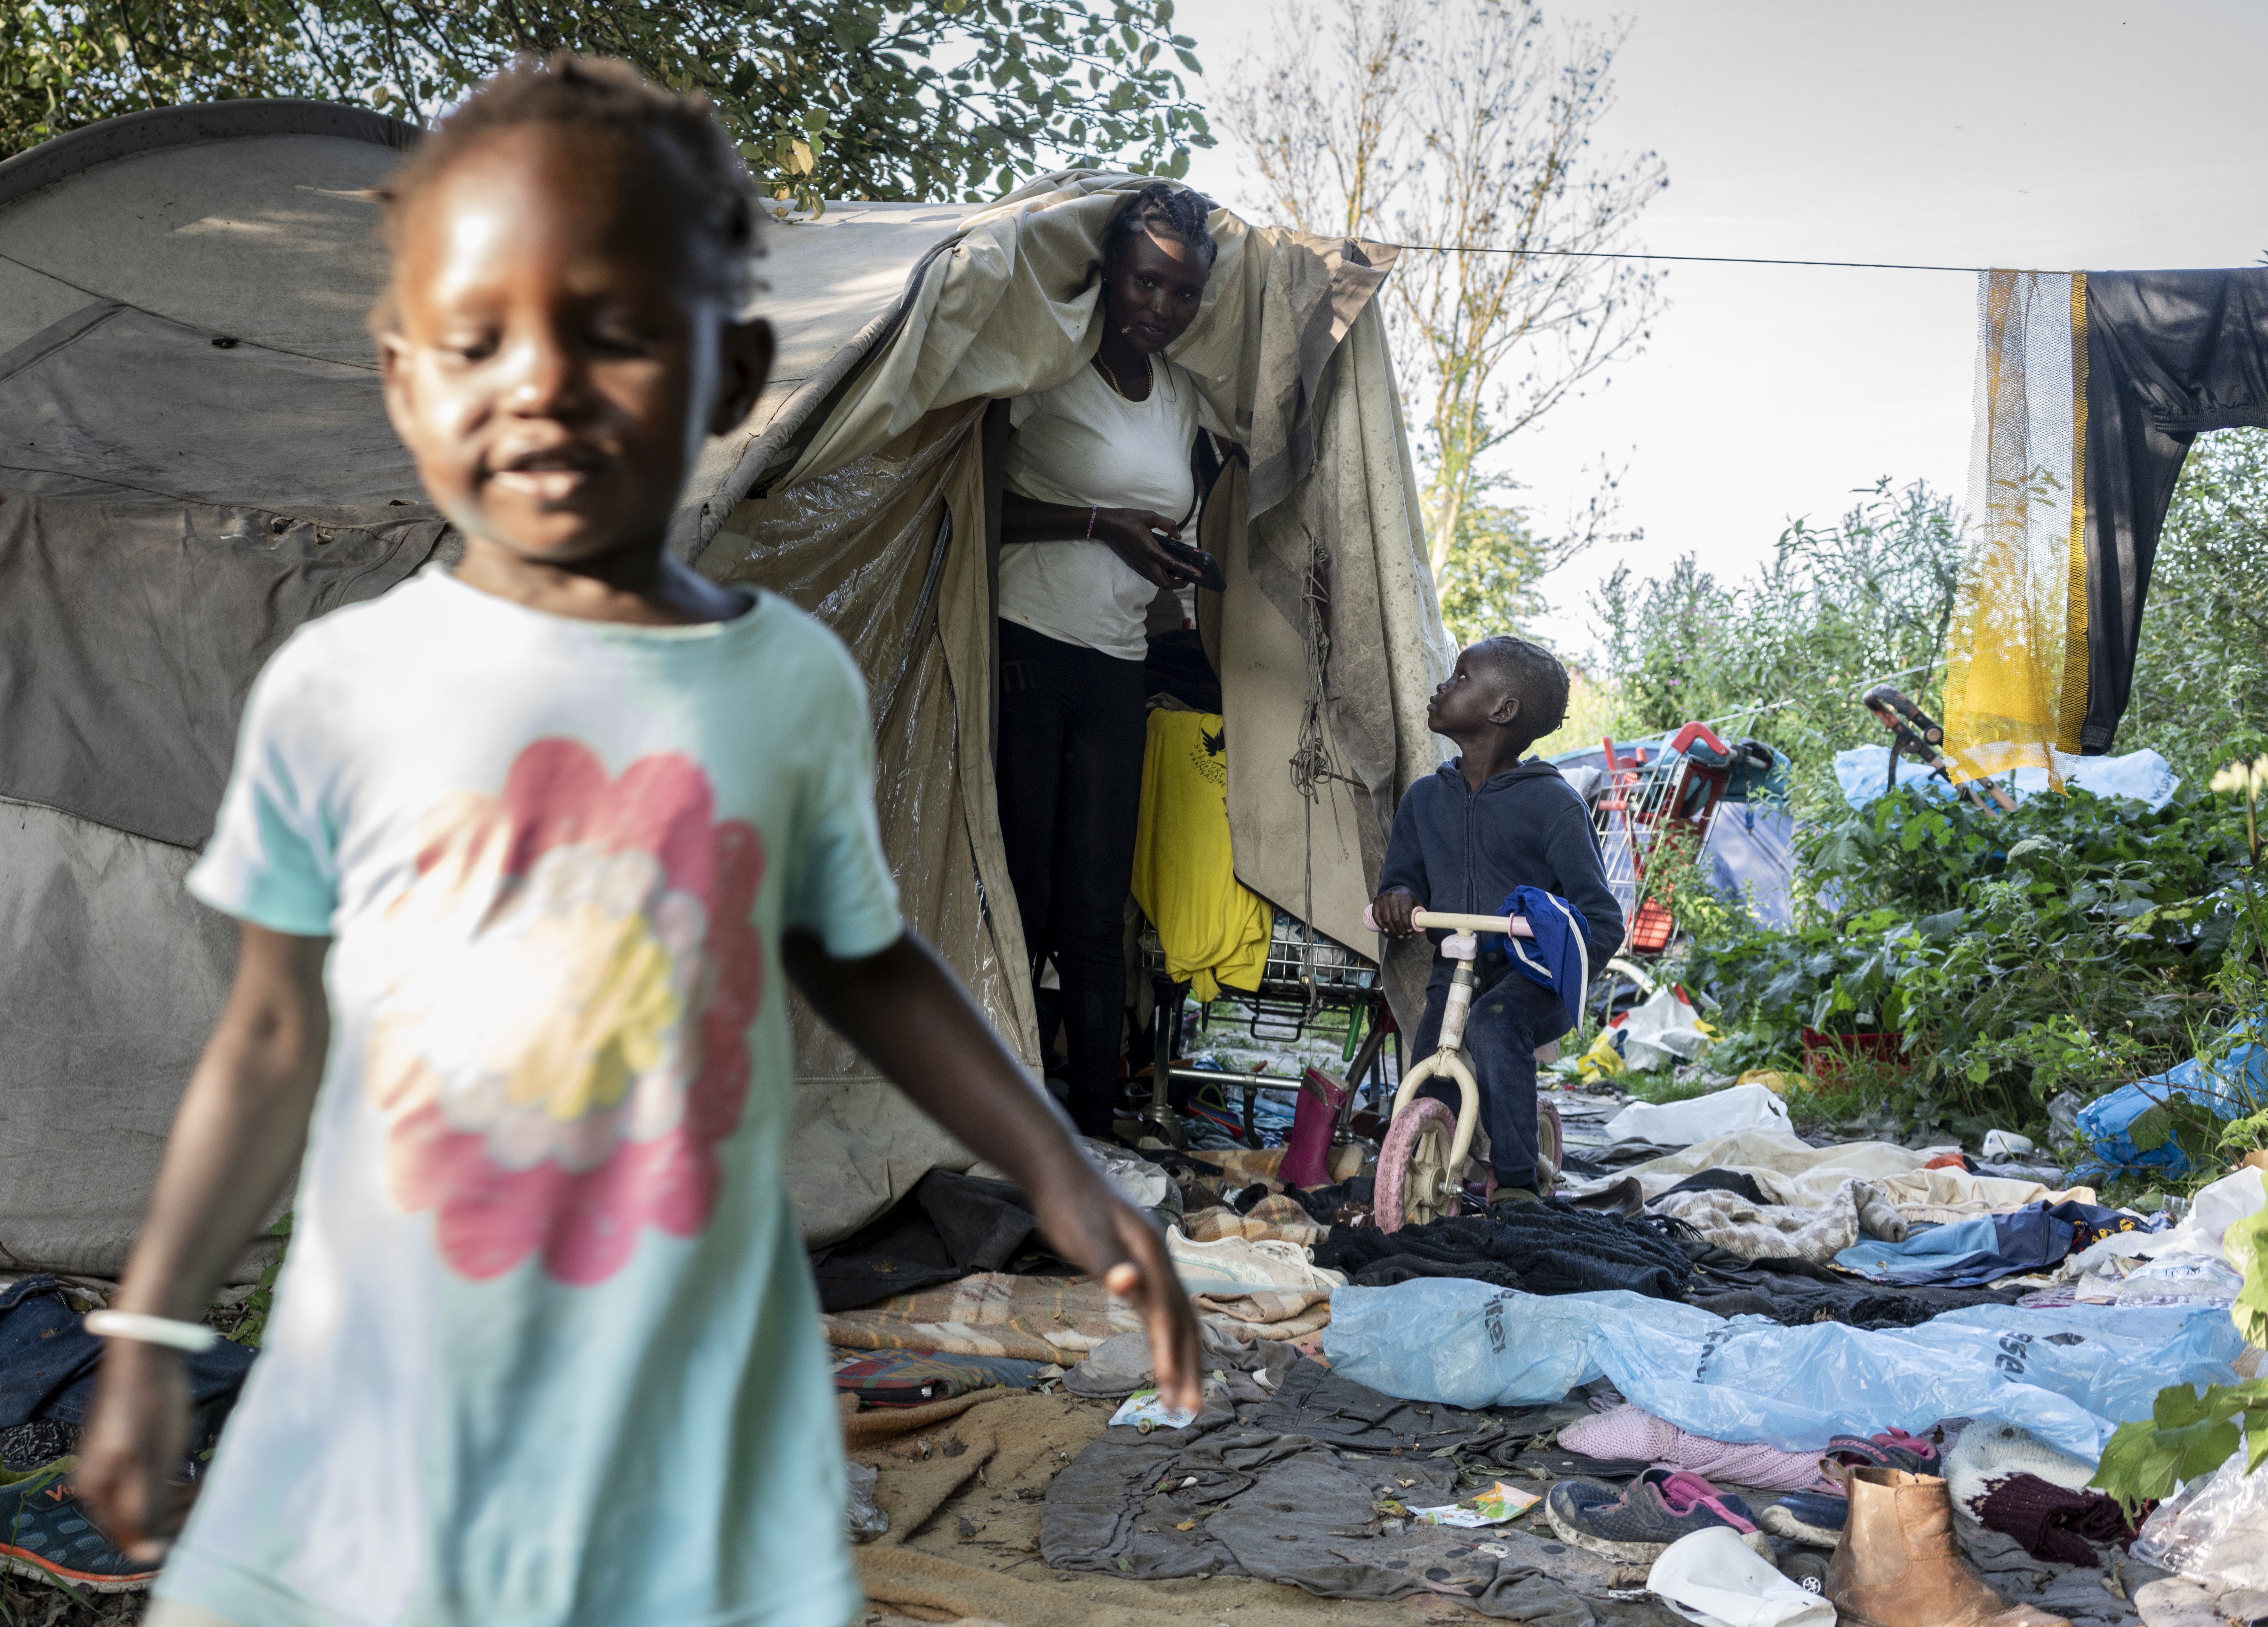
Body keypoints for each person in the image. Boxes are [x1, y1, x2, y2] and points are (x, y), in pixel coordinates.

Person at [73, 55, 1200, 1627]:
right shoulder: (342, 690)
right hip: (383, 1395)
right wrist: (148, 1336)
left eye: (615, 336)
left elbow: (862, 960)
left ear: (731, 377)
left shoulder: (783, 682)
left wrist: (1053, 1165)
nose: (540, 383)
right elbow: (269, 1035)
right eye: (479, 341)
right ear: (404, 379)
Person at [993, 182, 1228, 1140]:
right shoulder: (1047, 370)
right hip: (1023, 645)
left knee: (1098, 908)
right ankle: (997, 1114)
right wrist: (1099, 526)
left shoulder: (1180, 402)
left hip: (1117, 662)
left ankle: (1091, 1126)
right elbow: (973, 510)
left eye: (1183, 295)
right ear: (1110, 274)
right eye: (1147, 283)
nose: (1162, 310)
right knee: (1024, 894)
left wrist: (1168, 567)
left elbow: (1161, 523)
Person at [1372, 637, 1624, 1204]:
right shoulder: (1424, 801)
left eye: (1460, 677)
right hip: (1456, 966)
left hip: (1533, 979)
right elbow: (1401, 879)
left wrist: (1559, 962)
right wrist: (1397, 898)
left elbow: (1603, 917)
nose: (1442, 684)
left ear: (1502, 710)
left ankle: (1515, 1184)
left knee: (1496, 1021)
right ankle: (1419, 1172)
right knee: (1434, 1070)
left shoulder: (1554, 805)